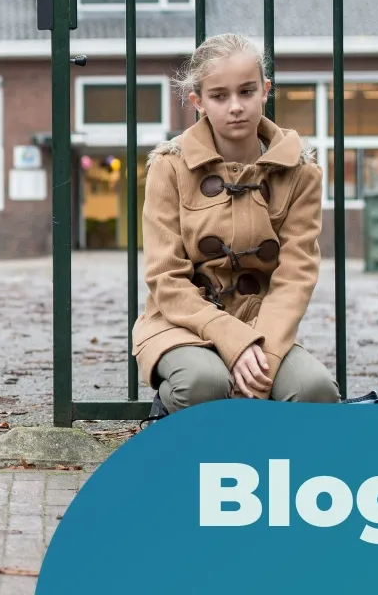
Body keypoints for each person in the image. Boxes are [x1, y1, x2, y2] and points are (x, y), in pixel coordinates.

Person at [134, 33, 340, 417]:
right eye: (219, 96)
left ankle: (274, 467)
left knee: (315, 391)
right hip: (182, 324)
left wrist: (265, 349)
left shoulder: (301, 174)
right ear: (198, 102)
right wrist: (232, 341)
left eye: (246, 92)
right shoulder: (170, 167)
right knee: (204, 383)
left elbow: (295, 277)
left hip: (262, 324)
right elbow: (166, 278)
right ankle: (170, 432)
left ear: (265, 91)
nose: (235, 107)